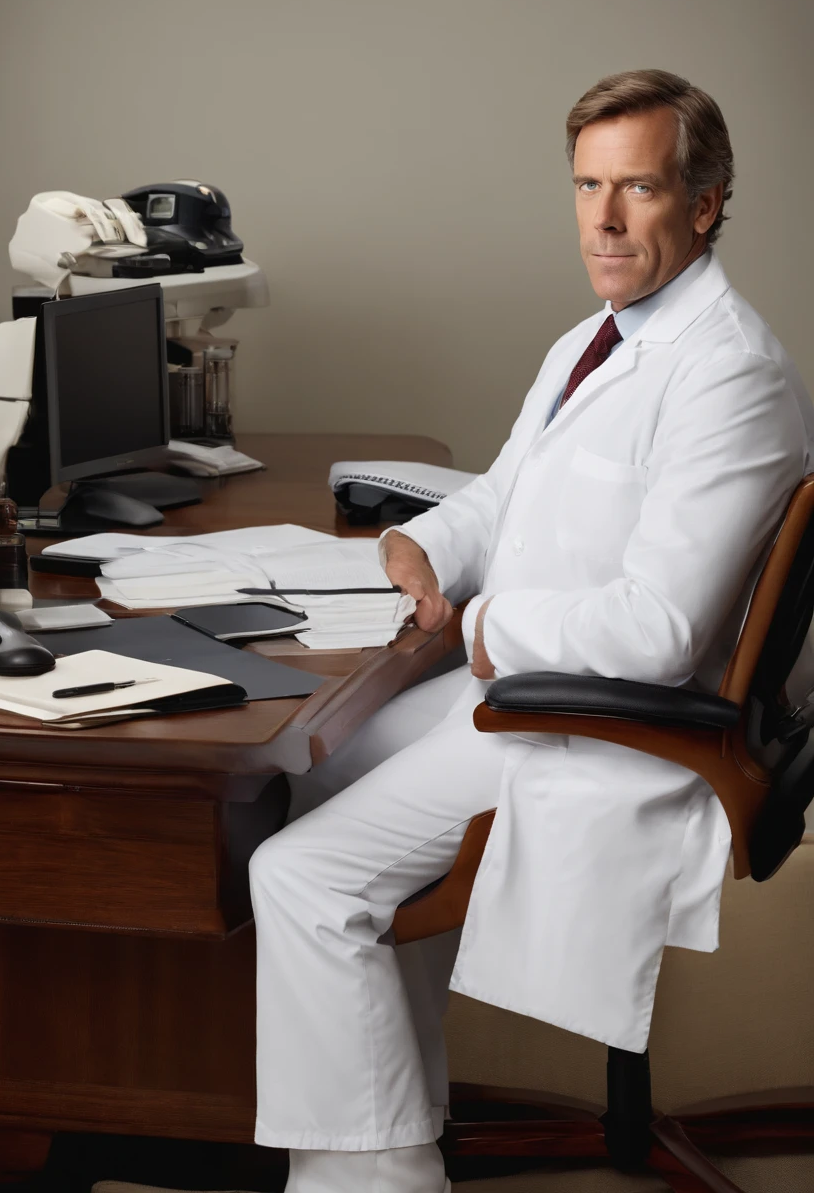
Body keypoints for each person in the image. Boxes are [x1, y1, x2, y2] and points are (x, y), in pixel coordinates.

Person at [249, 69, 814, 1193]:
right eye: (586, 186)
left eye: (637, 189)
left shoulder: (728, 375)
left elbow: (656, 628)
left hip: (600, 724)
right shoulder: (596, 338)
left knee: (301, 877)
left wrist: (491, 618)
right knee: (289, 783)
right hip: (523, 689)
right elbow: (507, 491)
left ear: (702, 205)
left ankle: (376, 1177)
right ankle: (391, 1123)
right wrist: (430, 550)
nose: (602, 220)